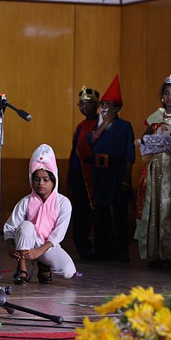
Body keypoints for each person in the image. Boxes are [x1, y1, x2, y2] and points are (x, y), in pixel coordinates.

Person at [134, 75, 171, 270]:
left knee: (169, 208)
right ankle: (157, 253)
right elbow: (144, 138)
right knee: (154, 207)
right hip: (154, 169)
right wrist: (146, 143)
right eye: (166, 93)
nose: (169, 97)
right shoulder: (155, 117)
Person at [4, 144, 76, 284]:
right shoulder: (26, 201)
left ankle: (43, 264)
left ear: (54, 180)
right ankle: (22, 269)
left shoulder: (63, 202)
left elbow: (58, 234)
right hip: (28, 246)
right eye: (37, 179)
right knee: (26, 226)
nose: (41, 183)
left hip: (48, 246)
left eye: (45, 180)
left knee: (68, 271)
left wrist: (39, 252)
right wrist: (11, 248)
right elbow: (9, 228)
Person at [88, 74, 135, 262]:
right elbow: (90, 142)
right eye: (103, 104)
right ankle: (102, 247)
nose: (105, 108)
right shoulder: (96, 125)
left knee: (119, 213)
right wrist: (104, 124)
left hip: (117, 171)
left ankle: (121, 248)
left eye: (109, 105)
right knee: (100, 211)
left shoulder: (125, 126)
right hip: (100, 172)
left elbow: (129, 154)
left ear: (117, 109)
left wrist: (126, 178)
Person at [68, 86, 100, 259]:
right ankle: (81, 245)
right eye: (82, 104)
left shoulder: (101, 124)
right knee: (80, 211)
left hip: (95, 174)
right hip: (79, 174)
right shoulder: (80, 126)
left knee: (96, 211)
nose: (84, 107)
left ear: (97, 105)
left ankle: (98, 245)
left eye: (89, 103)